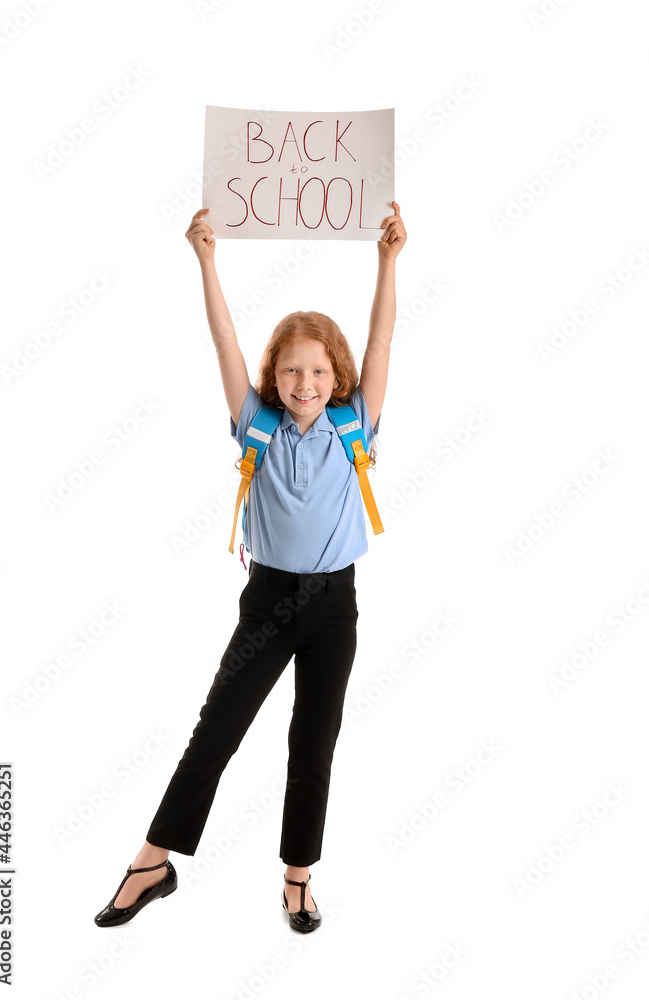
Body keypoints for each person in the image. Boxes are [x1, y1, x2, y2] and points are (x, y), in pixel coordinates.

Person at [94, 200, 407, 933]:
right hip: (266, 601)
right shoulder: (254, 424)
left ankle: (297, 880)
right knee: (217, 730)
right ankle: (152, 861)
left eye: (319, 369)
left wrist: (387, 261)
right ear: (274, 375)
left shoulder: (354, 422)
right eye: (292, 369)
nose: (306, 382)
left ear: (337, 375)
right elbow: (222, 337)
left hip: (335, 606)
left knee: (313, 741)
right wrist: (206, 259)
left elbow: (384, 339)